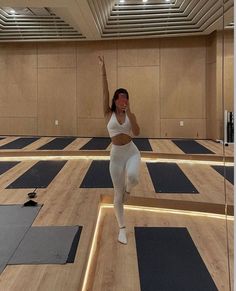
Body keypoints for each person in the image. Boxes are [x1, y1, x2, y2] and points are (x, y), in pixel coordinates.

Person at [98, 56, 141, 244]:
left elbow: (137, 133)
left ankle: (129, 190)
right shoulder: (108, 114)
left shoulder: (130, 115)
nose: (123, 101)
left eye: (126, 99)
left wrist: (130, 111)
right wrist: (103, 69)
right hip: (116, 156)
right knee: (117, 194)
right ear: (115, 101)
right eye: (121, 99)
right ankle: (122, 229)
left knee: (133, 178)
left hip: (131, 152)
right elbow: (104, 91)